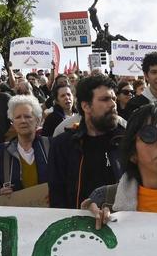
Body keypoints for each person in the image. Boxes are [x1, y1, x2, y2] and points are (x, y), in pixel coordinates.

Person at [47, 74, 125, 209]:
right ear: (86, 106)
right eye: (105, 99)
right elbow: (57, 197)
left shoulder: (126, 141)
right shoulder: (63, 145)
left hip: (119, 224)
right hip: (77, 226)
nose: (113, 104)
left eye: (113, 98)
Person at [0, 95, 51, 197]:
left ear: (38, 120)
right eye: (18, 117)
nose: (23, 121)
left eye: (27, 116)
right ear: (13, 123)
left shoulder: (51, 146)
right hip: (14, 210)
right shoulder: (2, 151)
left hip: (47, 210)